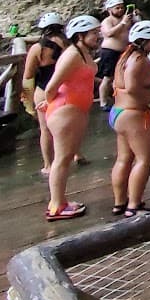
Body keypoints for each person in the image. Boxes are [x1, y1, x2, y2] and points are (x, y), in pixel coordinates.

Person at [43, 14, 101, 221]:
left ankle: (59, 201)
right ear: (80, 35)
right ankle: (56, 206)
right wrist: (52, 102)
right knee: (62, 159)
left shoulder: (83, 53)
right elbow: (52, 86)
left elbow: (82, 78)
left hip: (74, 110)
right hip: (66, 110)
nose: (98, 36)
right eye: (94, 33)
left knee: (65, 158)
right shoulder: (72, 55)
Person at [110, 20, 150, 217]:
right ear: (147, 41)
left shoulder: (125, 56)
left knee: (124, 159)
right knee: (145, 159)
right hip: (134, 114)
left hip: (119, 113)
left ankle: (120, 203)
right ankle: (134, 205)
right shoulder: (139, 60)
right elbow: (132, 88)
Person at [20, 12, 66, 177]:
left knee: (45, 130)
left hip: (44, 89)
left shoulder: (37, 48)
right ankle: (75, 154)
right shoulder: (69, 45)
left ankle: (48, 165)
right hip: (65, 88)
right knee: (69, 126)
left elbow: (28, 76)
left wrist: (27, 101)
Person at [95, 0, 135, 109]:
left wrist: (134, 18)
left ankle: (120, 98)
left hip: (124, 51)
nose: (120, 10)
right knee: (108, 78)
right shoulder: (107, 21)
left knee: (123, 76)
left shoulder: (126, 18)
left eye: (122, 7)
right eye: (117, 8)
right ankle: (103, 102)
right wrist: (122, 23)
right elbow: (108, 33)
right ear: (109, 10)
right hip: (110, 51)